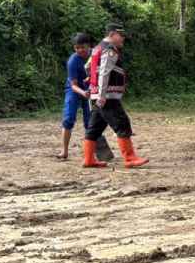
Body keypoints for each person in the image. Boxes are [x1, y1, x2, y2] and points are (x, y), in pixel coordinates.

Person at [82, 23, 149, 169]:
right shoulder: (109, 49)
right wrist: (102, 93)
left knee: (95, 128)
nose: (123, 38)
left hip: (96, 95)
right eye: (121, 35)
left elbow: (87, 67)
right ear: (112, 34)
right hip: (107, 96)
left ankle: (88, 159)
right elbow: (105, 72)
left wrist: (91, 80)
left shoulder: (96, 48)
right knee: (122, 123)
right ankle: (130, 158)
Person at [58, 33, 114, 162]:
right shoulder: (73, 61)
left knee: (90, 122)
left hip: (90, 90)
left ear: (89, 46)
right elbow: (73, 85)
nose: (80, 50)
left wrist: (95, 90)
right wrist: (83, 93)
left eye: (83, 47)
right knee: (68, 118)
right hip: (74, 90)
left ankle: (98, 152)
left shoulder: (96, 56)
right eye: (77, 48)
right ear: (74, 48)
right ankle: (64, 151)